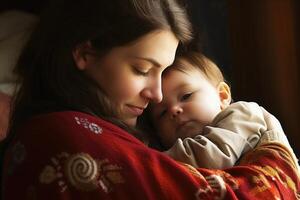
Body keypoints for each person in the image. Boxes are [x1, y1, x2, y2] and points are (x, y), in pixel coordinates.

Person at [1, 0, 299, 199]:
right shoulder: (61, 136)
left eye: (161, 72)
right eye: (142, 69)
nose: (156, 95)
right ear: (85, 53)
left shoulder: (243, 115)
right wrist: (275, 157)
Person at [146, 51, 300, 170]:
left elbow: (213, 155)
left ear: (222, 96)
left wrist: (149, 162)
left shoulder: (243, 114)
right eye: (162, 113)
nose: (174, 110)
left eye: (186, 96)